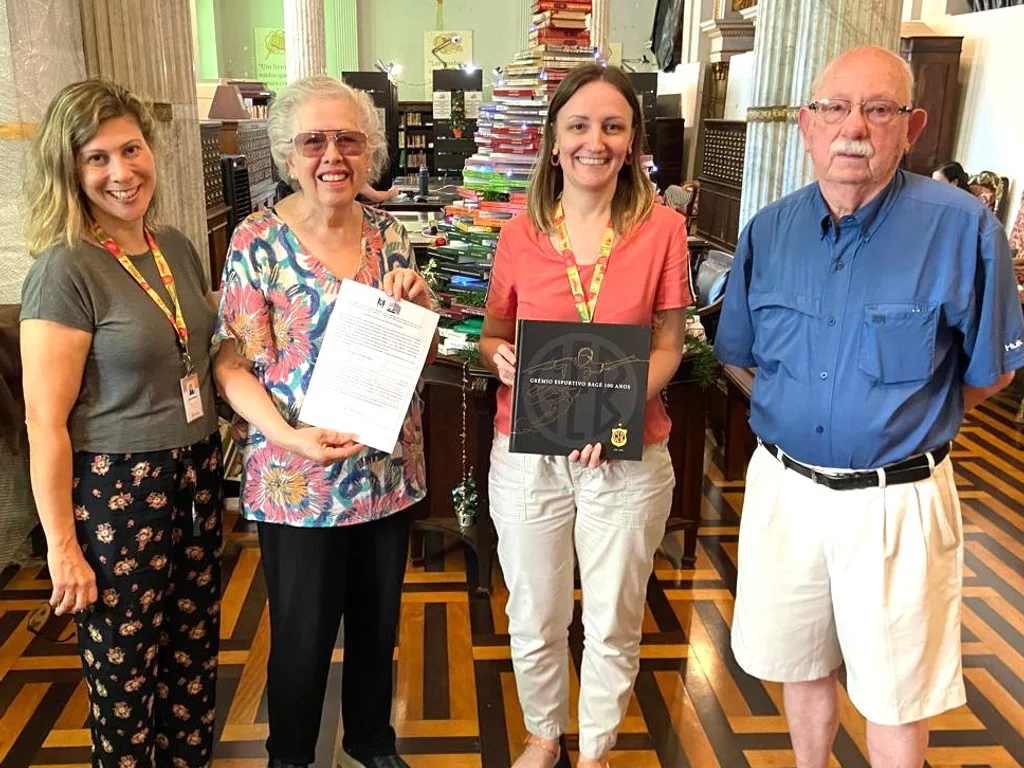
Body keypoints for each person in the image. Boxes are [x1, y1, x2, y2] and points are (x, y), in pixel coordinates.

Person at [715, 46, 1024, 768]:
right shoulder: (769, 230)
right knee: (800, 664)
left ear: (910, 125)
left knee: (896, 693)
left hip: (898, 505)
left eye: (878, 108)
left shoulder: (961, 229)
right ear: (805, 125)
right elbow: (741, 354)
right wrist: (803, 416)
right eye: (834, 108)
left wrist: (898, 429)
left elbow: (989, 375)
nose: (853, 126)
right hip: (785, 493)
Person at [212, 75, 436, 768]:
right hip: (297, 479)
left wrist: (422, 305)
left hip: (386, 472)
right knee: (303, 636)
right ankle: (291, 757)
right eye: (314, 140)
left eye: (348, 139)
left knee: (376, 626)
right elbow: (230, 365)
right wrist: (288, 436)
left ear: (369, 152)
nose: (332, 155)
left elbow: (416, 354)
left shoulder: (390, 234)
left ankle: (372, 742)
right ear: (287, 152)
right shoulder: (257, 240)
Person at [479, 63, 693, 768]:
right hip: (528, 451)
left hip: (627, 457)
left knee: (612, 618)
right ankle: (544, 735)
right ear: (553, 139)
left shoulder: (663, 230)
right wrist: (499, 357)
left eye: (612, 125)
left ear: (631, 141)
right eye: (578, 125)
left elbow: (668, 344)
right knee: (535, 612)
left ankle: (596, 748)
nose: (594, 141)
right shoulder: (518, 234)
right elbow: (491, 336)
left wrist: (615, 415)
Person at [20, 79, 223, 767]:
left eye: (131, 150)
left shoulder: (173, 246)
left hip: (195, 477)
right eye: (97, 158)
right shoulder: (64, 269)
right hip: (118, 493)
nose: (121, 172)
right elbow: (44, 422)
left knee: (192, 667)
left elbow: (205, 345)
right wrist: (61, 548)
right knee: (125, 682)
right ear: (70, 171)